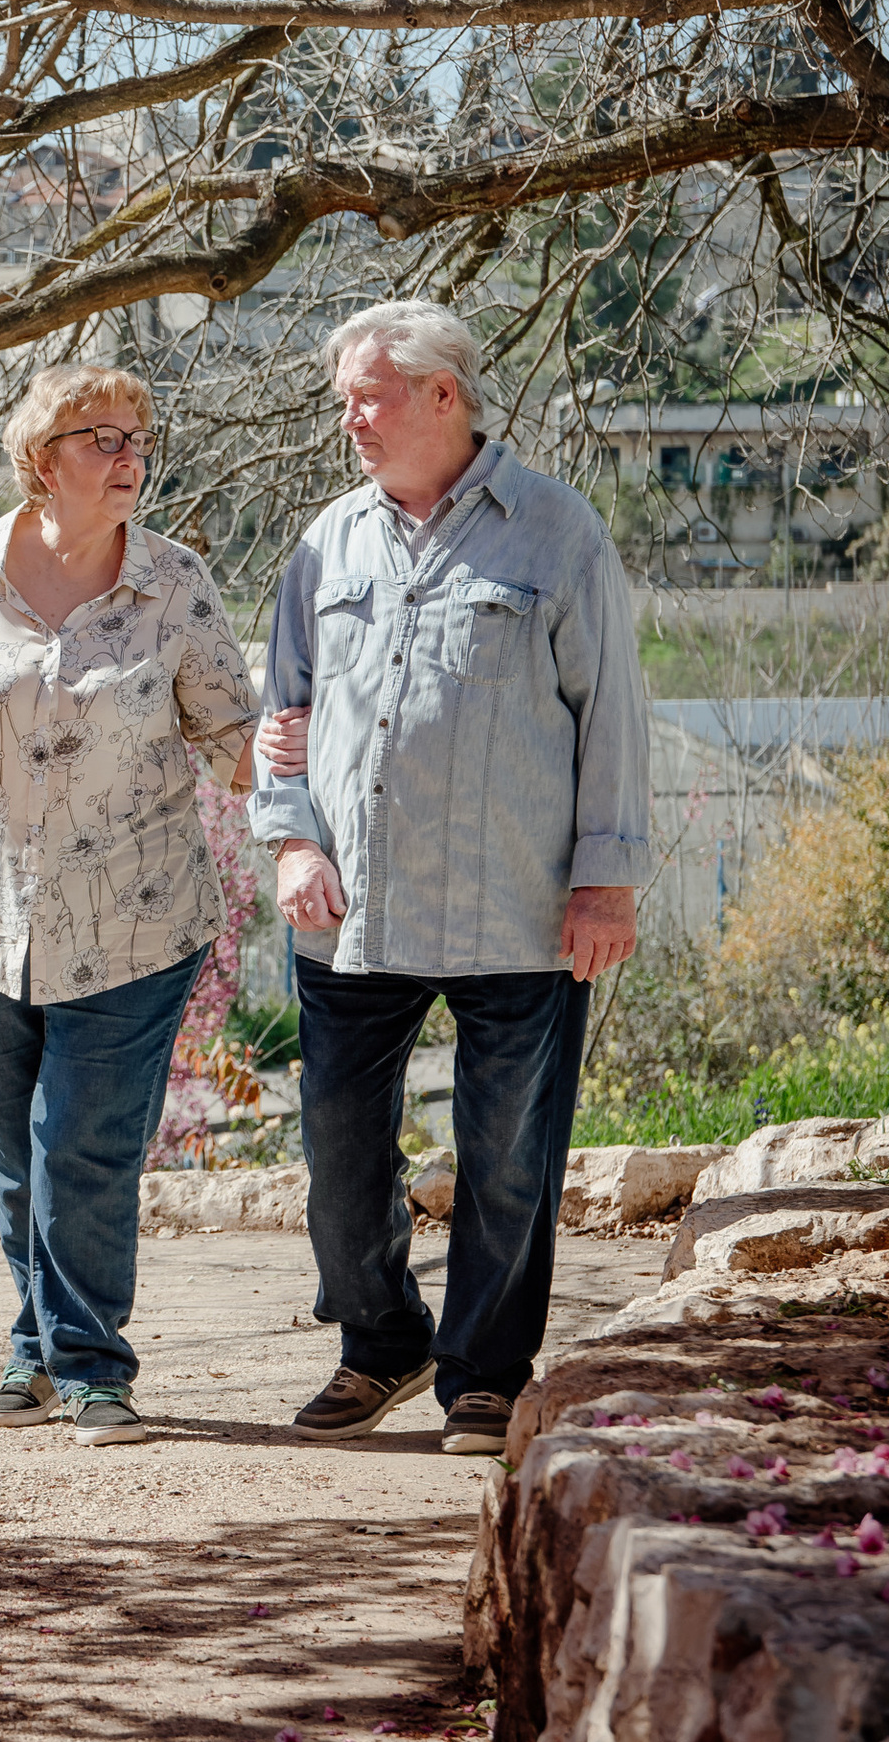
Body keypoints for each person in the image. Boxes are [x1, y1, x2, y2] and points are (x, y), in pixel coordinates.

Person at [248, 299, 652, 1455]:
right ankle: (379, 1342)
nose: (350, 421)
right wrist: (288, 842)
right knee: (335, 1153)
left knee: (509, 1157)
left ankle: (483, 1372)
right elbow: (285, 714)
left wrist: (605, 882)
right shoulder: (325, 542)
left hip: (516, 903)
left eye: (367, 397)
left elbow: (612, 716)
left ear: (443, 395)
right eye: (343, 402)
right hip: (349, 908)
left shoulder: (558, 532)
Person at [0, 363, 280, 1448]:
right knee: (11, 1147)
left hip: (135, 918)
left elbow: (237, 739)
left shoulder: (174, 581)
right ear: (42, 462)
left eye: (139, 435)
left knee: (79, 1142)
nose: (129, 454)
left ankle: (91, 1366)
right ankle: (35, 1347)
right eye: (101, 437)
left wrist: (305, 765)